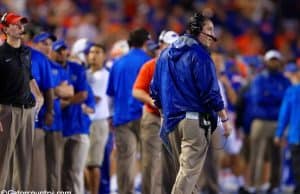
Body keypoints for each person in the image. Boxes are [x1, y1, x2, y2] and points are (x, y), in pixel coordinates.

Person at [150, 12, 231, 194]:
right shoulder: (200, 55)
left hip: (171, 122)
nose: (213, 34)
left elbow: (154, 91)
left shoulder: (164, 56)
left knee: (187, 175)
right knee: (188, 173)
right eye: (209, 29)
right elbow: (211, 92)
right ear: (198, 31)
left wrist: (166, 112)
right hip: (194, 122)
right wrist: (225, 120)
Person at [0, 12, 43, 189]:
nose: (20, 27)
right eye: (15, 24)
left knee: (24, 162)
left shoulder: (26, 51)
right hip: (7, 111)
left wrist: (38, 95)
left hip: (27, 111)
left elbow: (29, 75)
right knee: (3, 160)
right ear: (5, 29)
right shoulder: (1, 53)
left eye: (21, 24)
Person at [132, 30, 179, 194]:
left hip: (174, 120)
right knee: (152, 161)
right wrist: (153, 101)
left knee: (173, 162)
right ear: (161, 46)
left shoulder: (182, 67)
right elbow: (137, 91)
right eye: (169, 45)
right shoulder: (151, 65)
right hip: (153, 117)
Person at [106, 28, 151, 194]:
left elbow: (110, 93)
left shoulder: (117, 63)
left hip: (122, 117)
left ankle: (125, 191)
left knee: (125, 160)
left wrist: (111, 116)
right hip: (145, 116)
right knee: (149, 159)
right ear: (146, 43)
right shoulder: (149, 62)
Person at [248, 50, 291, 194]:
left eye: (276, 60)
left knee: (277, 156)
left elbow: (287, 100)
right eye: (271, 60)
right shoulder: (259, 79)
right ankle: (254, 186)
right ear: (266, 62)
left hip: (278, 122)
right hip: (260, 121)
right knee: (256, 156)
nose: (273, 62)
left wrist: (270, 94)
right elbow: (258, 99)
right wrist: (277, 98)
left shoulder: (285, 80)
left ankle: (274, 186)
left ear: (279, 62)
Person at [85, 43, 110, 194]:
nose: (93, 55)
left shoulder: (105, 75)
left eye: (98, 52)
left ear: (104, 56)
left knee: (94, 163)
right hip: (84, 121)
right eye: (91, 52)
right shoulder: (85, 74)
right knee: (85, 163)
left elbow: (95, 98)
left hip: (98, 121)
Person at [274, 63, 300, 194]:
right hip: (295, 135)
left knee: (297, 168)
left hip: (296, 137)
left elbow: (284, 115)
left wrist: (279, 134)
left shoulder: (292, 91)